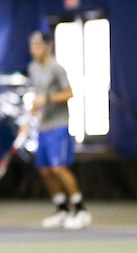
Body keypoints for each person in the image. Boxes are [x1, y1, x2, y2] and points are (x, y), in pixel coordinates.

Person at [29, 31, 91, 230]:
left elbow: (70, 93)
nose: (34, 49)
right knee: (45, 170)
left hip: (59, 125)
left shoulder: (57, 68)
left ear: (48, 47)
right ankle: (62, 209)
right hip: (43, 126)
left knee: (58, 168)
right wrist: (29, 117)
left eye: (38, 45)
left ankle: (81, 209)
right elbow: (37, 97)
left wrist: (46, 99)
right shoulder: (33, 68)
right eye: (32, 45)